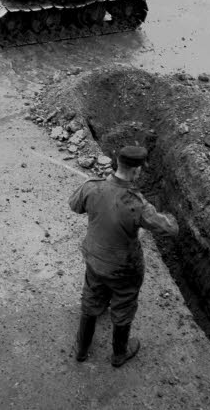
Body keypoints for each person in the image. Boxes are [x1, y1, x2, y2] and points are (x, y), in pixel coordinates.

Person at [68, 145, 179, 367]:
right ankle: (119, 354)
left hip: (95, 260)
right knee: (124, 305)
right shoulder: (137, 204)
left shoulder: (92, 187)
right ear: (137, 171)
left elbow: (74, 205)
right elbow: (169, 230)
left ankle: (81, 349)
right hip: (124, 268)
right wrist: (168, 216)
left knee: (91, 298)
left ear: (117, 163)